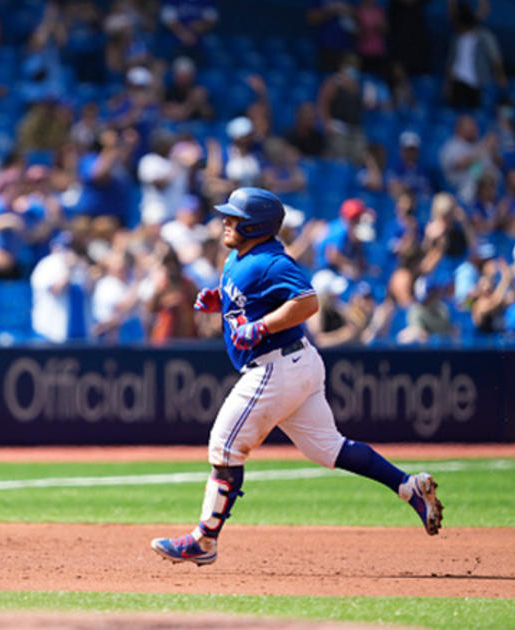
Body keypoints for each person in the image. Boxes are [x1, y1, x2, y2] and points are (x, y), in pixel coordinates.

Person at [151, 187, 443, 566]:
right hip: (297, 364)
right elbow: (249, 297)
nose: (225, 221)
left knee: (224, 447)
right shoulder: (239, 257)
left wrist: (261, 327)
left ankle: (204, 540)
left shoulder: (272, 260)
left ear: (255, 225)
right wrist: (220, 302)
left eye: (234, 217)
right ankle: (408, 487)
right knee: (328, 449)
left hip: (276, 366)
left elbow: (307, 301)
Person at [443, 0, 505, 110]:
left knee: (476, 113)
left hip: (477, 83)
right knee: (452, 112)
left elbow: (496, 59)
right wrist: (448, 84)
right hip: (457, 83)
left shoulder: (484, 37)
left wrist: (500, 80)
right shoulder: (456, 38)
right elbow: (451, 63)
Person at [317, 54, 367, 162]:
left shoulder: (357, 85)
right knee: (341, 159)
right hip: (339, 128)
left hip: (355, 128)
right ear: (343, 66)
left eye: (355, 66)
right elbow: (323, 103)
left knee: (358, 159)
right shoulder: (333, 83)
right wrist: (326, 122)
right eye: (350, 65)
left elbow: (360, 106)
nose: (353, 68)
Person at [439, 114, 498, 203]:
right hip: (460, 187)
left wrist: (493, 150)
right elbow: (460, 165)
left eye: (475, 125)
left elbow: (496, 164)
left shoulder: (476, 144)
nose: (474, 129)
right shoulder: (452, 146)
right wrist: (484, 148)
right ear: (460, 128)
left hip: (481, 182)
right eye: (471, 126)